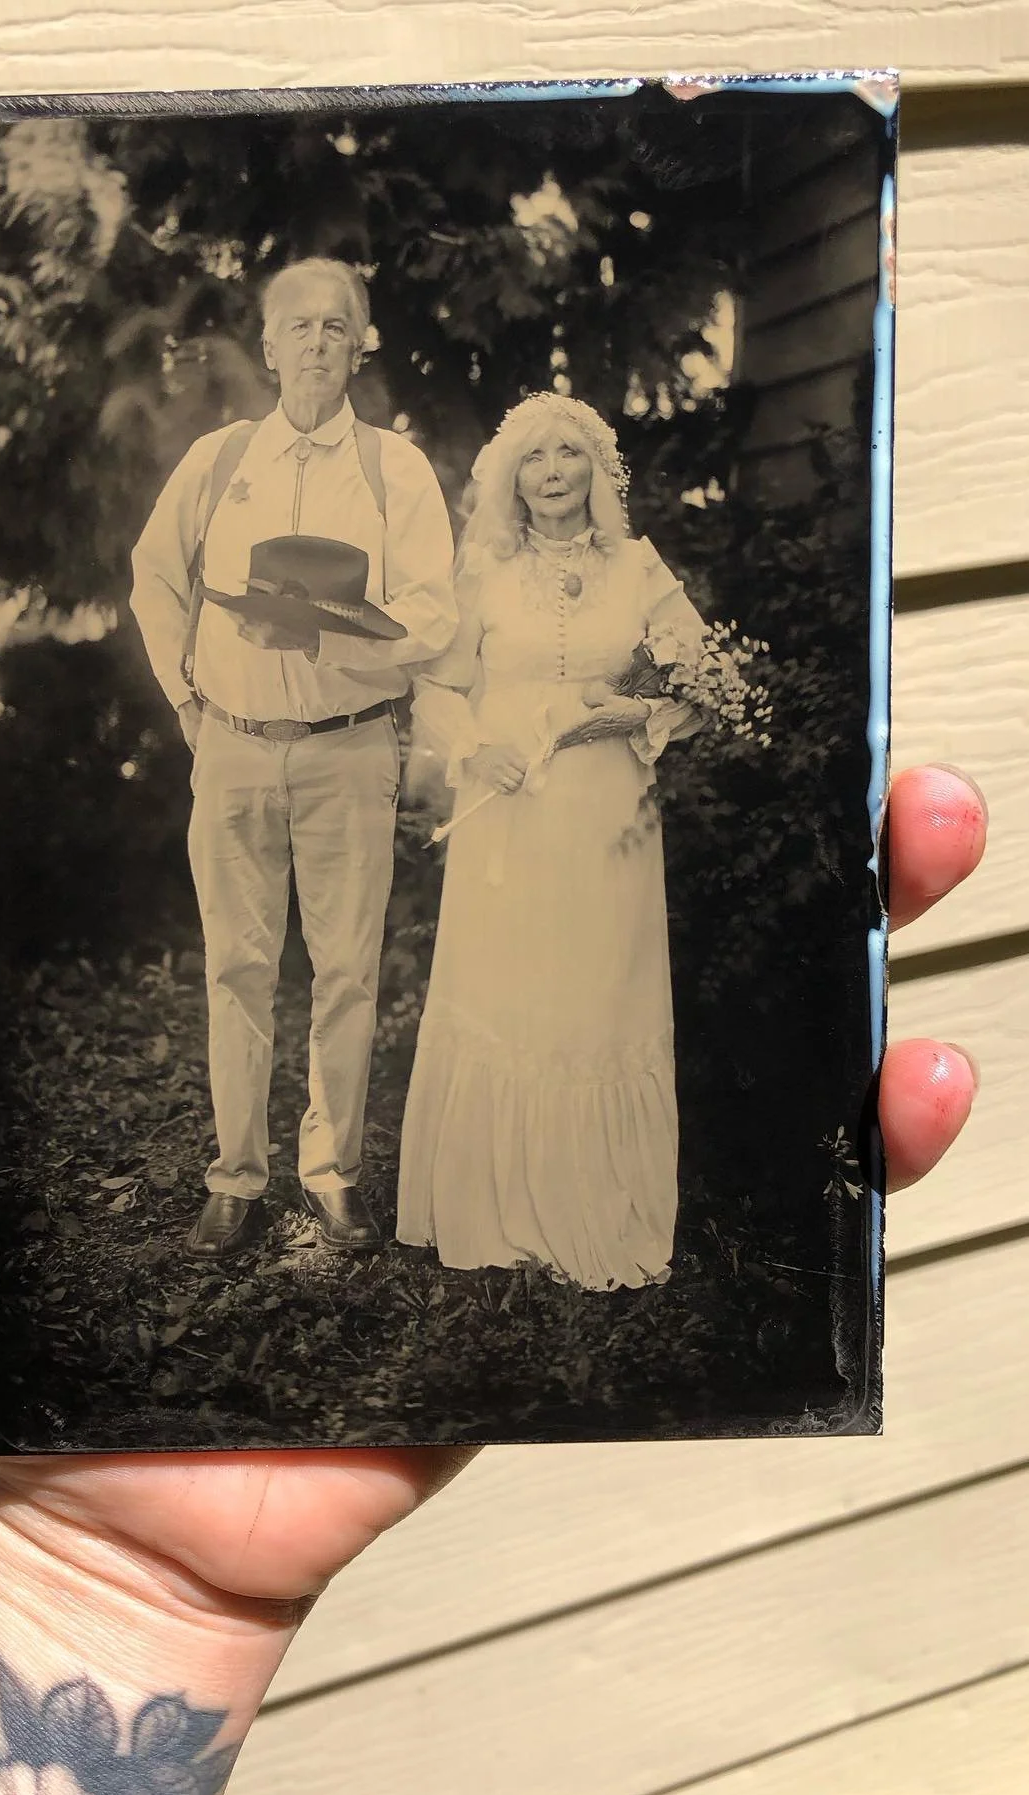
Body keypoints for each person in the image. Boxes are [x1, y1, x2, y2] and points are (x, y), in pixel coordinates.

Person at [0, 698, 984, 1795]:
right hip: (360, 766)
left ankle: (386, 1185)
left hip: (547, 804)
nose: (551, 469)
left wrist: (88, 1579)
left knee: (364, 972)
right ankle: (296, 1176)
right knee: (270, 966)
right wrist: (56, 1560)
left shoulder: (414, 497)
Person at [129, 256, 458, 1258]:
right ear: (268, 349)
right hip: (230, 749)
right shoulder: (222, 462)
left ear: (363, 346)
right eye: (298, 327)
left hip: (350, 754)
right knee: (236, 967)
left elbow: (437, 616)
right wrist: (187, 700)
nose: (318, 342)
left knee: (349, 972)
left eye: (336, 326)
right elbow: (153, 578)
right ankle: (235, 1179)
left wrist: (338, 635)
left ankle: (334, 1176)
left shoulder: (393, 469)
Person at [398, 392, 708, 1289]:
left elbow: (697, 675)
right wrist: (475, 748)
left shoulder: (640, 568)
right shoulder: (484, 572)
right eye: (535, 459)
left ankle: (600, 1206)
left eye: (569, 454)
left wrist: (637, 709)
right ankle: (498, 1206)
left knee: (598, 990)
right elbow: (440, 689)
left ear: (597, 473)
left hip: (608, 810)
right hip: (515, 808)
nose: (552, 474)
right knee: (514, 987)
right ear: (511, 478)